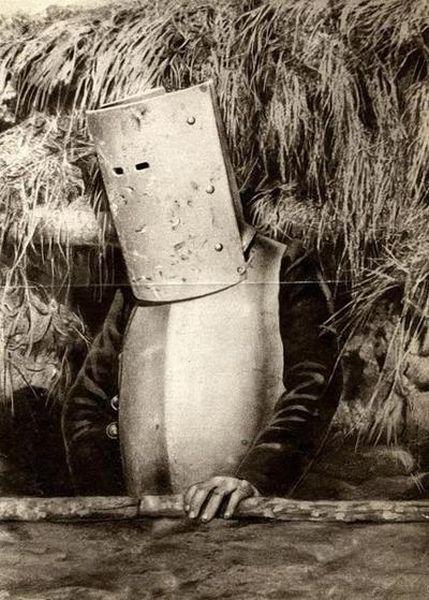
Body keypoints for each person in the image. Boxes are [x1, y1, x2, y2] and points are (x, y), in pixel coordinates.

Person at [62, 82, 342, 522]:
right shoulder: (139, 285)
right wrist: (109, 504)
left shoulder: (281, 265)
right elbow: (86, 401)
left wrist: (254, 478)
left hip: (251, 524)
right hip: (140, 532)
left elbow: (314, 385)